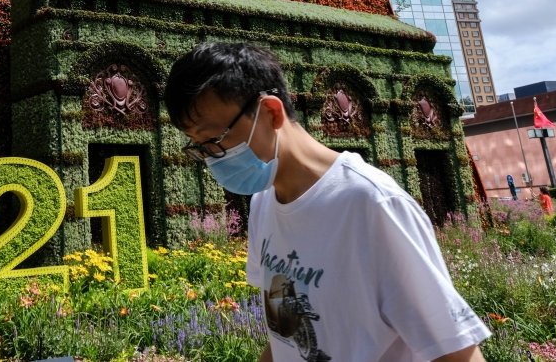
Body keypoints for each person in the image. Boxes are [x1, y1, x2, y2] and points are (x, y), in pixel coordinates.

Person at [165, 42, 490, 362]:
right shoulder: (264, 203)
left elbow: (459, 354)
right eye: (200, 148)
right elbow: (285, 337)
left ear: (270, 112)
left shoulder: (371, 204)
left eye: (215, 141)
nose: (212, 159)